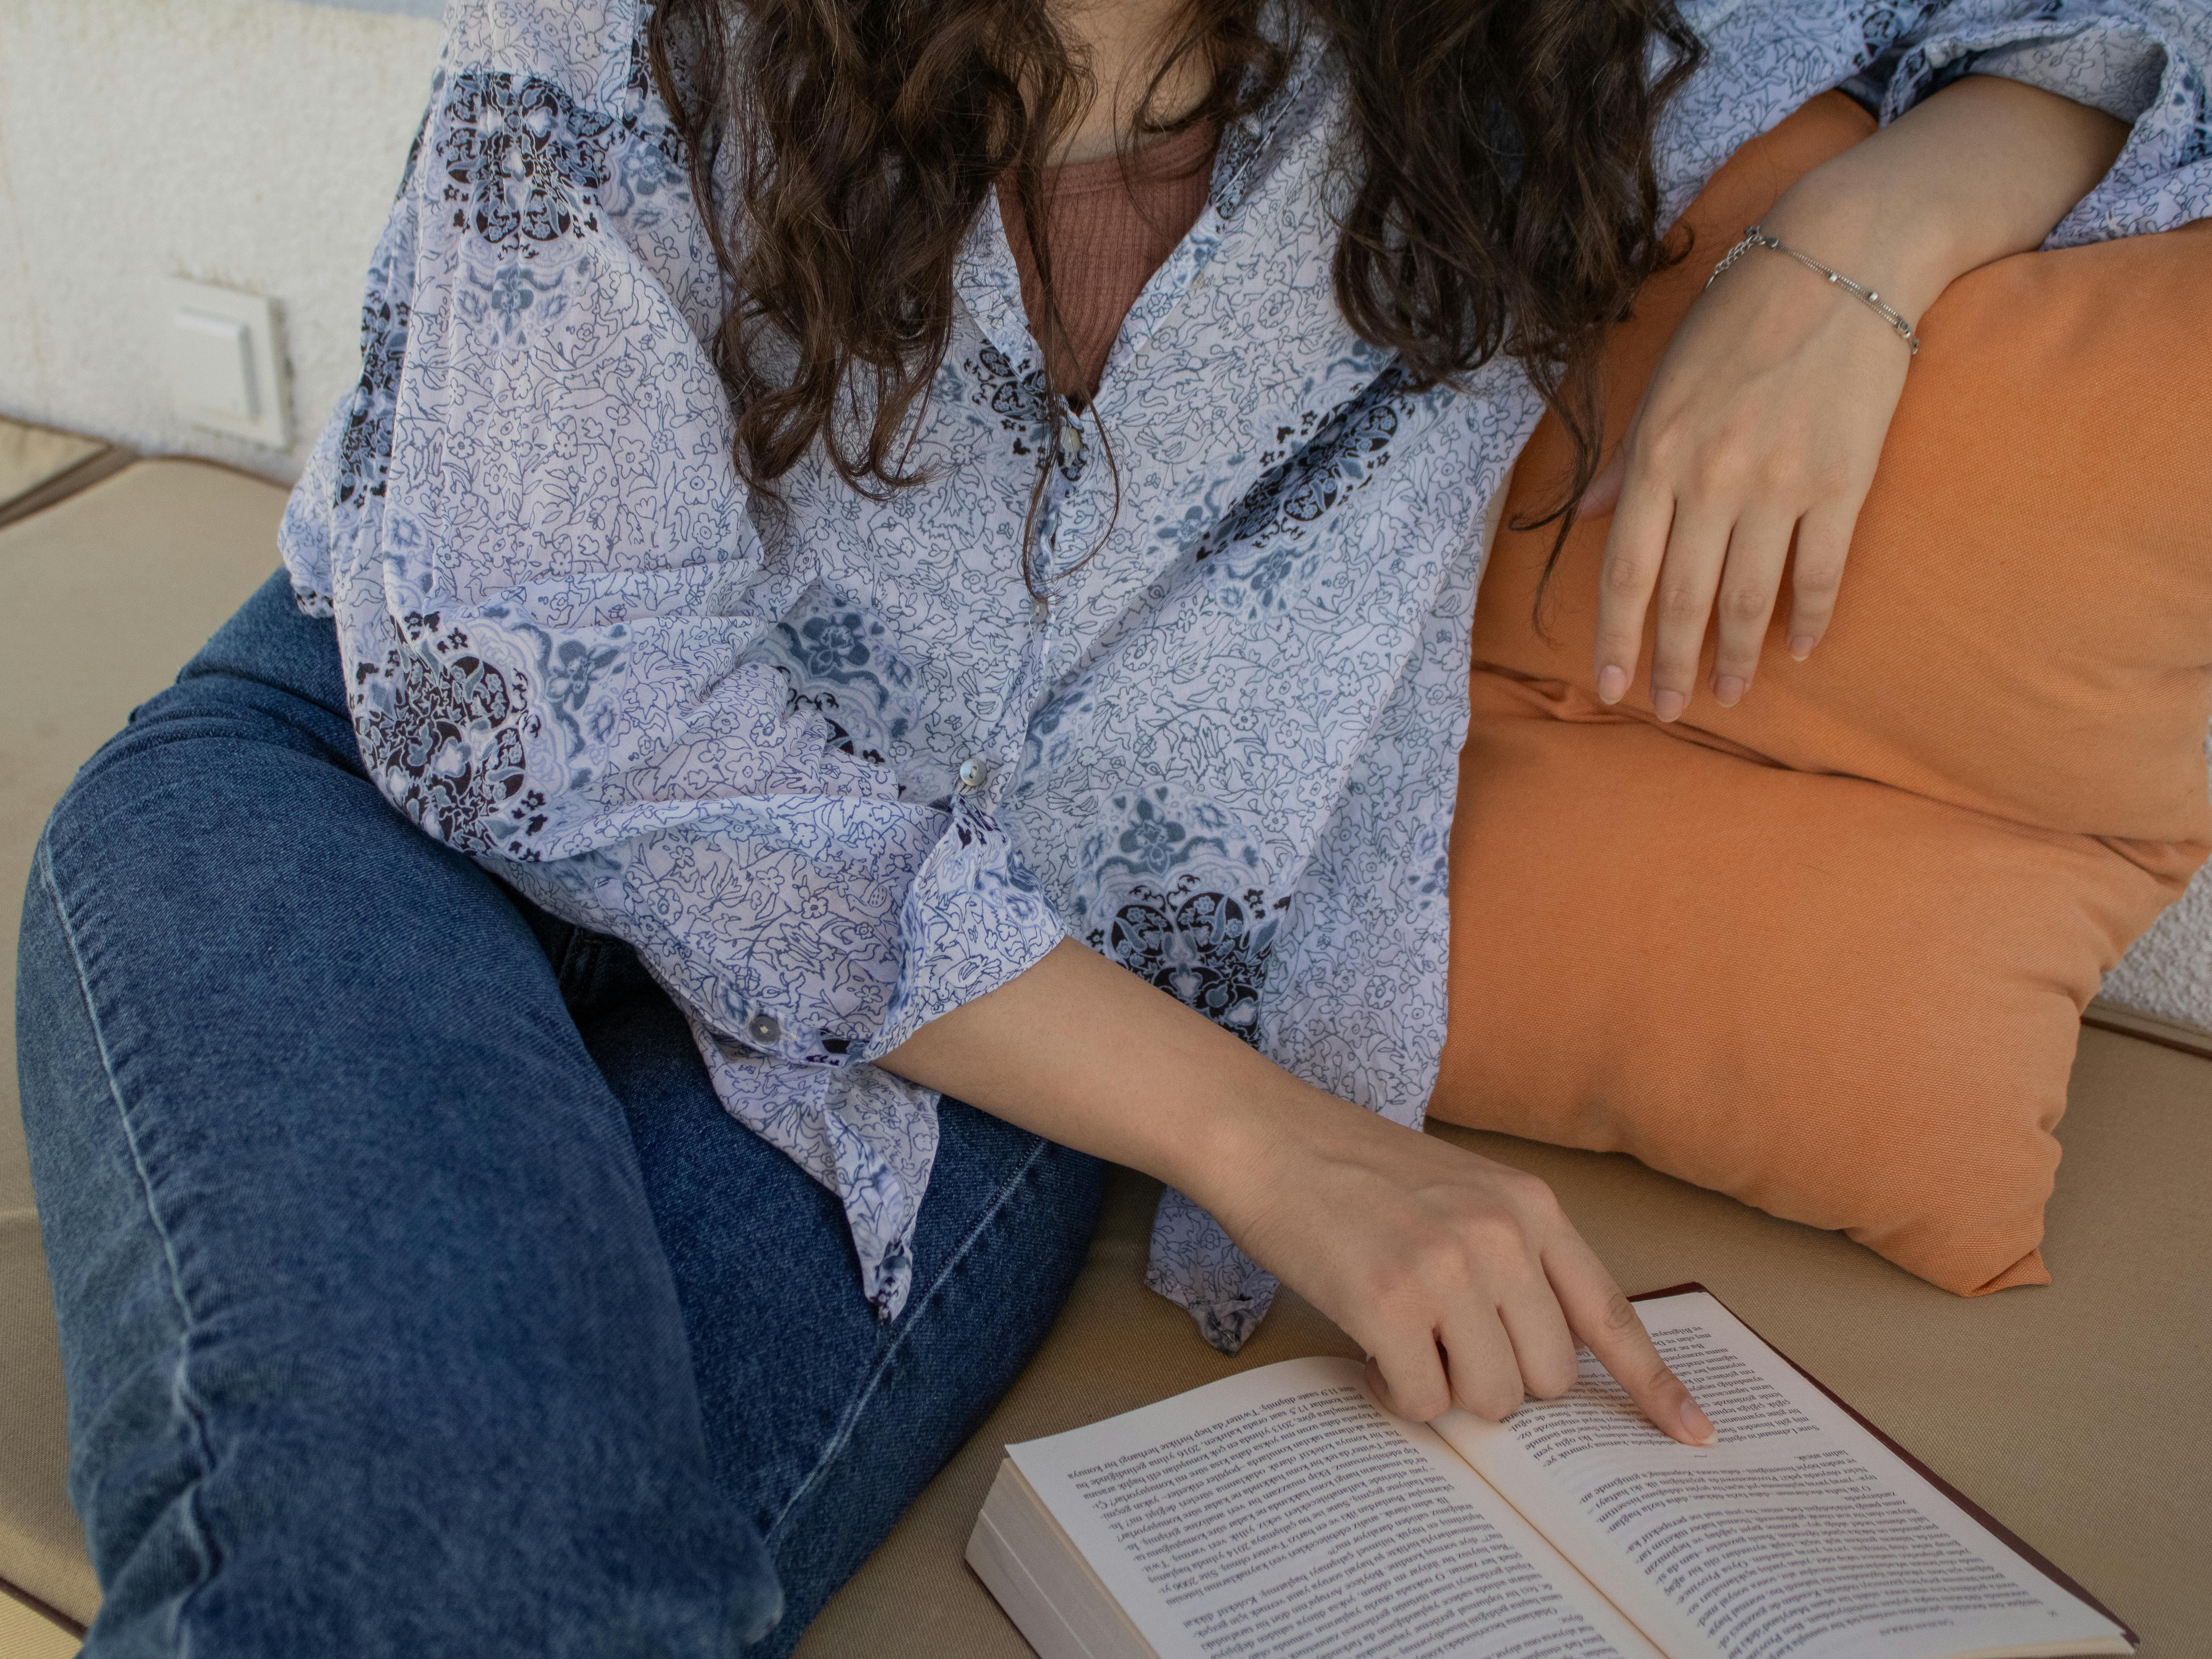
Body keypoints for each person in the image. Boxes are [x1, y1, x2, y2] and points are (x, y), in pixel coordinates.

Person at [17, 0, 2207, 1651]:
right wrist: (1267, 1136)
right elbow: (539, 711)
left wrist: (1856, 251)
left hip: (964, 1026)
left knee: (502, 1576)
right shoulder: (632, 38)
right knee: (416, 1522)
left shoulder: (1500, 55)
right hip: (369, 794)